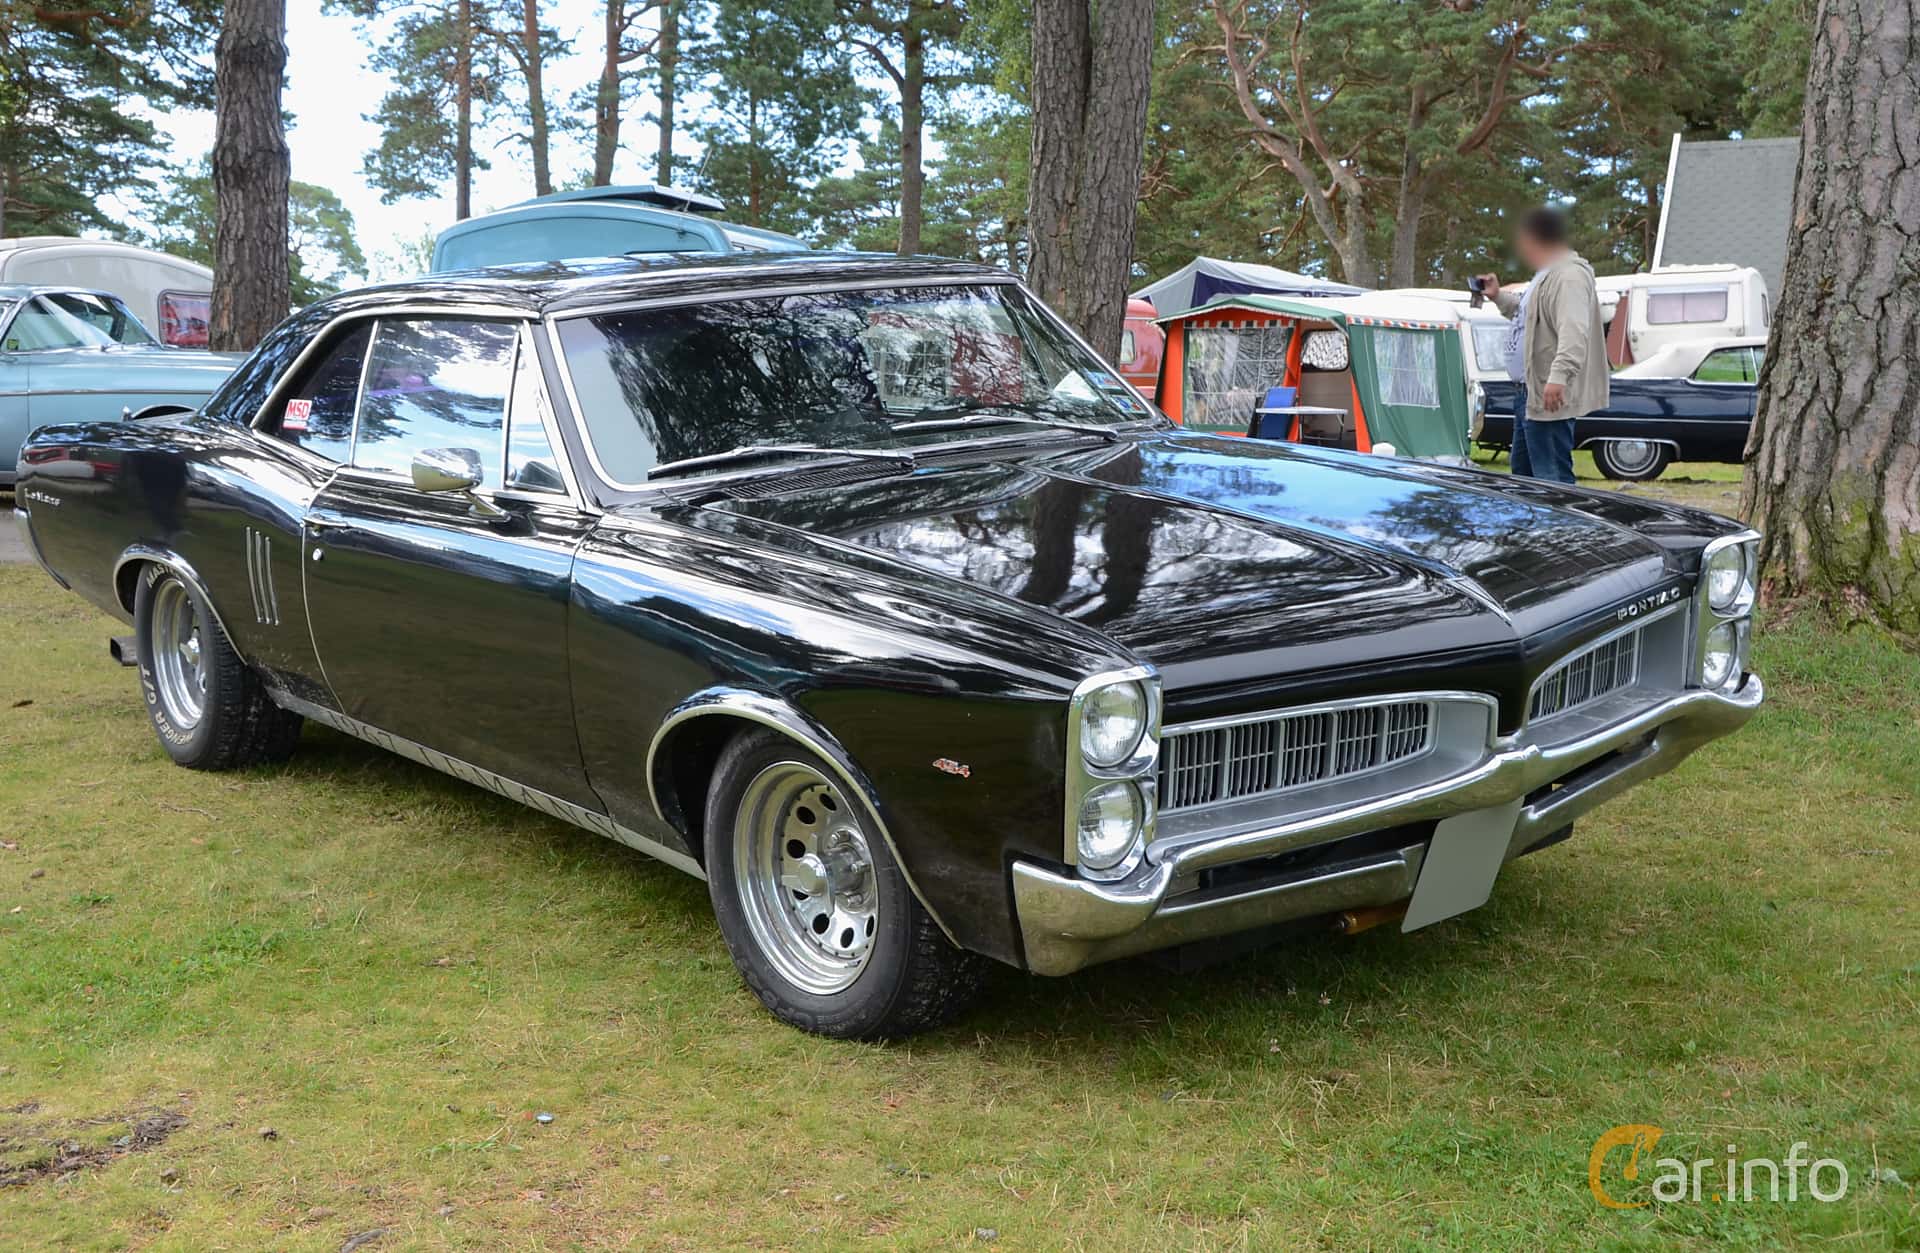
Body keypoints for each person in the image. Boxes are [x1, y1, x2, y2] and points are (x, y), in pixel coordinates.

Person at [1475, 208, 1609, 485]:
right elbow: (1529, 317)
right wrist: (1498, 296)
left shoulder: (1569, 276)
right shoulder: (1545, 275)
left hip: (1547, 392)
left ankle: (1563, 516)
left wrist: (1558, 377)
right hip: (1529, 392)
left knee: (1551, 478)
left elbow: (1574, 331)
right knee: (1525, 477)